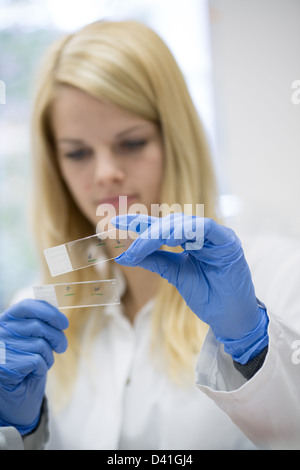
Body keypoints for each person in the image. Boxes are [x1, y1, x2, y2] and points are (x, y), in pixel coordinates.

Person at [0, 20, 300, 451]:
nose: (105, 173)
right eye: (78, 152)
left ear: (176, 142)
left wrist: (253, 349)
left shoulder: (282, 276)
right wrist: (19, 430)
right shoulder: (36, 311)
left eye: (132, 142)